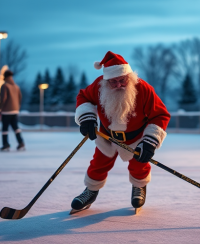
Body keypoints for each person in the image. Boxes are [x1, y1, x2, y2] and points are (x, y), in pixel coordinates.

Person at [71, 51, 171, 213]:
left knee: (139, 165)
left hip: (136, 137)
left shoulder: (144, 89)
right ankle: (91, 190)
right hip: (107, 136)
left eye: (122, 80)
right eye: (113, 81)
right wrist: (87, 117)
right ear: (106, 80)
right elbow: (84, 97)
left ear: (129, 76)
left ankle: (139, 187)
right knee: (98, 164)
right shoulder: (98, 85)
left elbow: (160, 115)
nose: (118, 84)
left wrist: (150, 141)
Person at [0, 70, 25, 151]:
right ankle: (21, 142)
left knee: (5, 128)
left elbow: (3, 98)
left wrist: (0, 108)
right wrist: (17, 107)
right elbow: (20, 98)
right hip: (15, 110)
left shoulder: (5, 86)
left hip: (6, 111)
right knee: (16, 127)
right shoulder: (16, 87)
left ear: (5, 77)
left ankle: (5, 144)